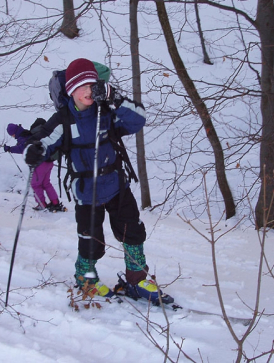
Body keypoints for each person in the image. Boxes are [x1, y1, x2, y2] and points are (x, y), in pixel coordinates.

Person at [23, 58, 168, 303]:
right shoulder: (63, 120)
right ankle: (86, 276)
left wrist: (114, 99)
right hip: (86, 192)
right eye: (82, 86)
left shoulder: (108, 111)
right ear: (70, 90)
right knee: (91, 240)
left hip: (116, 185)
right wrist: (34, 150)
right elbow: (44, 143)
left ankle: (137, 279)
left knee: (132, 231)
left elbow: (138, 120)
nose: (89, 90)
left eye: (93, 84)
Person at [4, 119, 65, 212]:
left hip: (39, 163)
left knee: (35, 184)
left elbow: (22, 148)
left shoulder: (23, 137)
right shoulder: (29, 133)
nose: (12, 137)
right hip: (49, 161)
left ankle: (42, 204)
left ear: (13, 133)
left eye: (11, 135)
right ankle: (55, 202)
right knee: (46, 183)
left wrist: (10, 149)